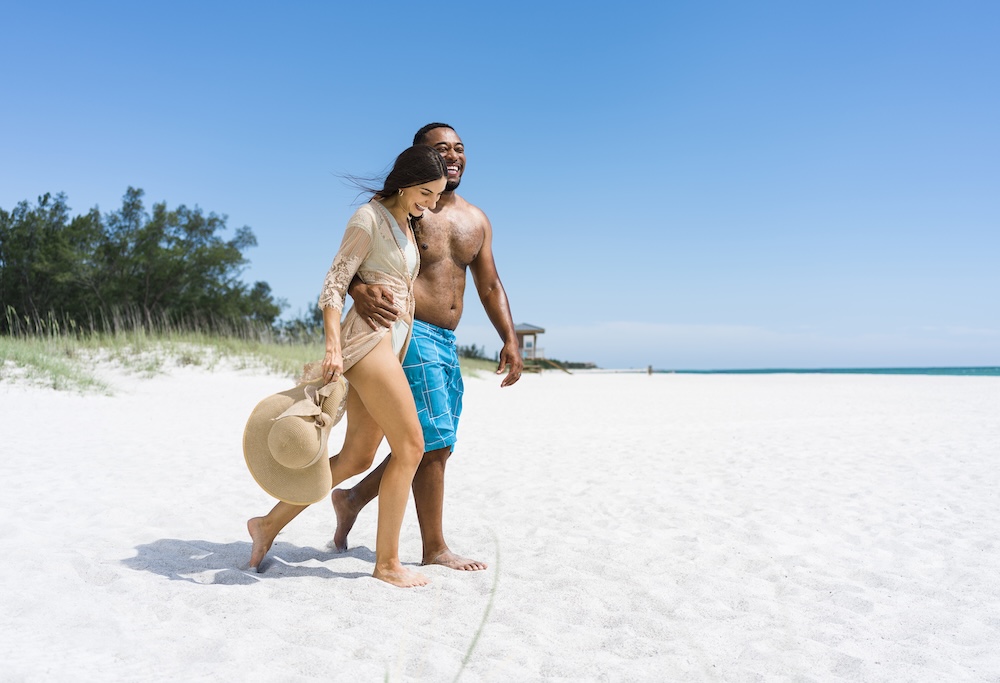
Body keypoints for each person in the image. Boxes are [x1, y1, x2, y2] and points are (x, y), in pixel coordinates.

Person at [246, 144, 448, 588]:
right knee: (411, 447)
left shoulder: (407, 224)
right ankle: (388, 564)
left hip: (391, 343)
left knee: (358, 456)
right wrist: (333, 348)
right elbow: (334, 283)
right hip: (367, 341)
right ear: (405, 180)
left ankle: (267, 525)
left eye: (437, 196)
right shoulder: (368, 218)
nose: (431, 204)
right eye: (426, 193)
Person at [331, 123, 523, 571]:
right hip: (407, 330)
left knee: (436, 445)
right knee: (431, 444)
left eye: (459, 148)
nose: (453, 155)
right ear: (420, 156)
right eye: (442, 148)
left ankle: (353, 499)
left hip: (447, 341)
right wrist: (358, 288)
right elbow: (355, 257)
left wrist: (510, 340)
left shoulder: (476, 219)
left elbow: (490, 284)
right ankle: (433, 547)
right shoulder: (405, 208)